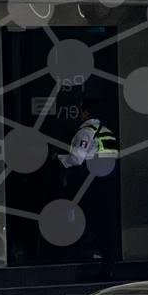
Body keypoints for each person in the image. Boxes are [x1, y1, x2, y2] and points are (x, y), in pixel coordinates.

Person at [57, 99, 120, 261]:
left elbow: (77, 159)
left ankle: (84, 251)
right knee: (104, 218)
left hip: (89, 181)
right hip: (108, 180)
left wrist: (59, 159)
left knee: (83, 215)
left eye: (81, 111)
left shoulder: (85, 132)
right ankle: (104, 252)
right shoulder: (108, 132)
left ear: (86, 112)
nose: (79, 114)